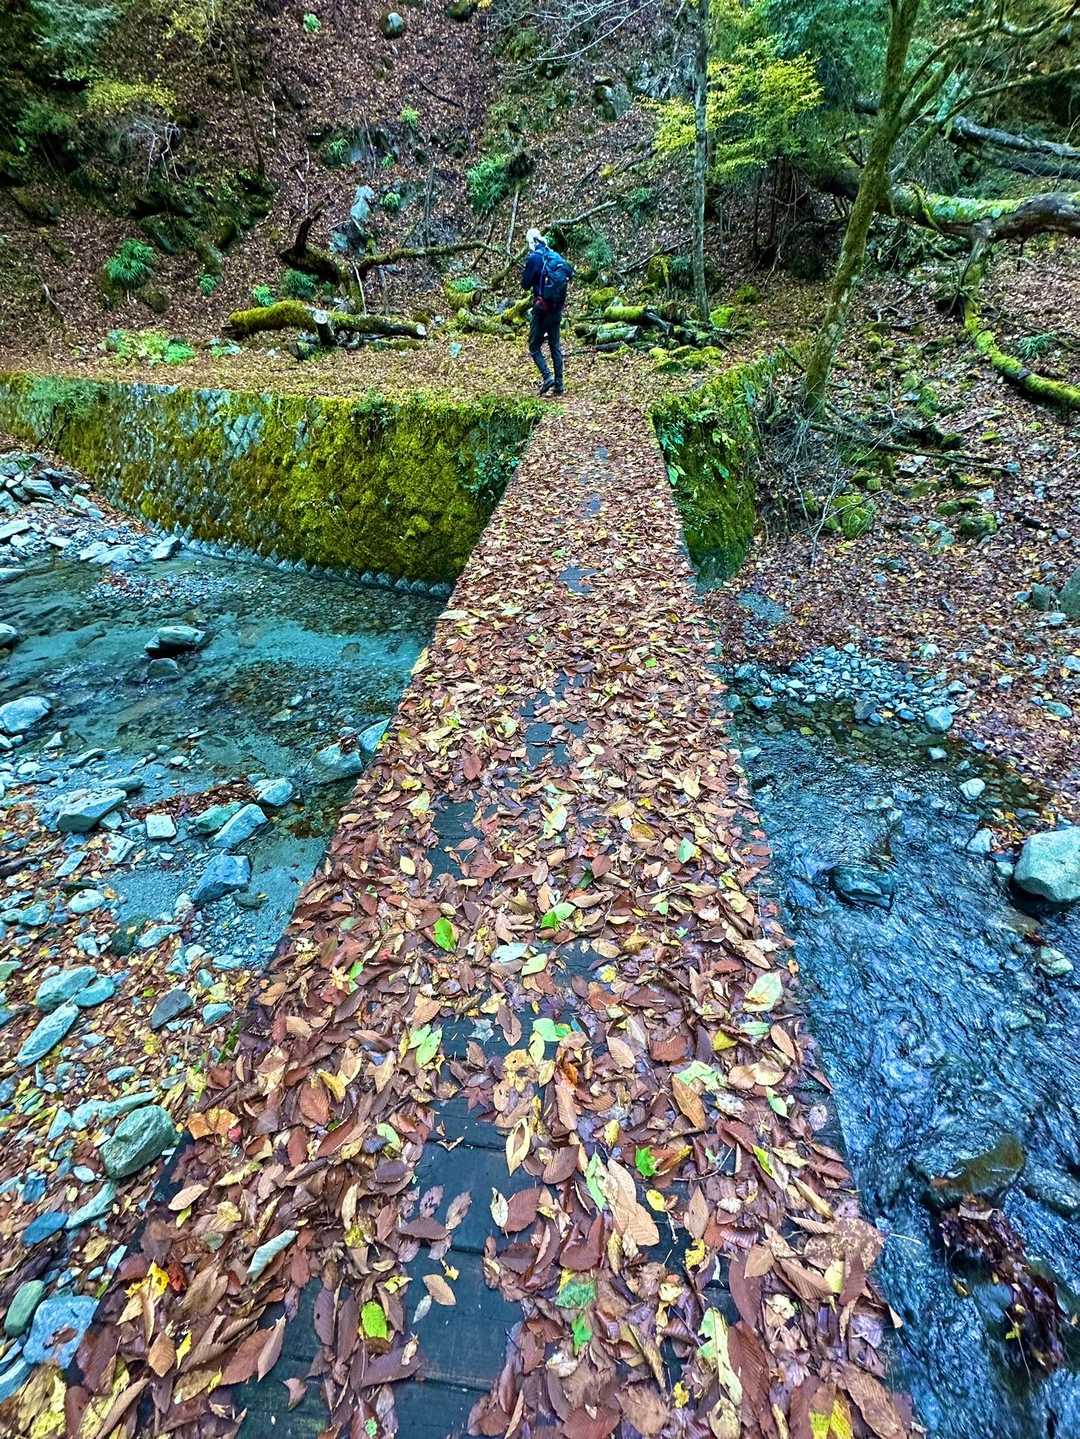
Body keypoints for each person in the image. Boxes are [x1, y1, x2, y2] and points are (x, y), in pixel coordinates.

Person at [522, 227, 574, 396]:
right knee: (555, 346)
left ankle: (547, 376)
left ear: (531, 242)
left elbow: (525, 284)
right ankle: (559, 385)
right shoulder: (553, 255)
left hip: (541, 309)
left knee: (534, 346)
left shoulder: (534, 258)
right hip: (556, 309)